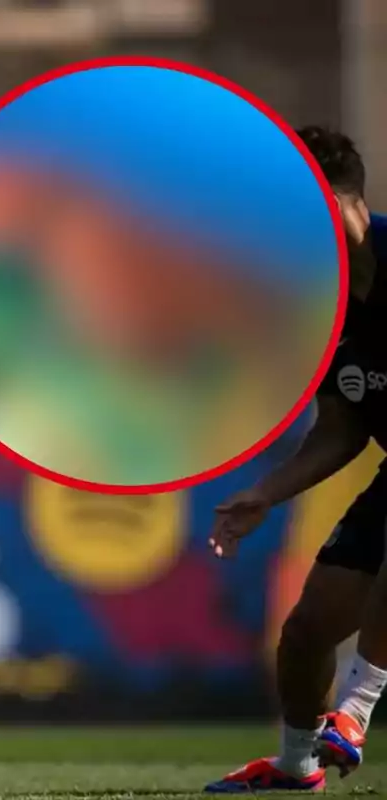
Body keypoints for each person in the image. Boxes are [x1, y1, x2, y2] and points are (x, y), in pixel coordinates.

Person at [205, 126, 387, 793]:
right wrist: (266, 493)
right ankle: (295, 767)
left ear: (352, 200)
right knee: (307, 631)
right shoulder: (319, 304)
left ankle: (359, 706)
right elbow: (341, 429)